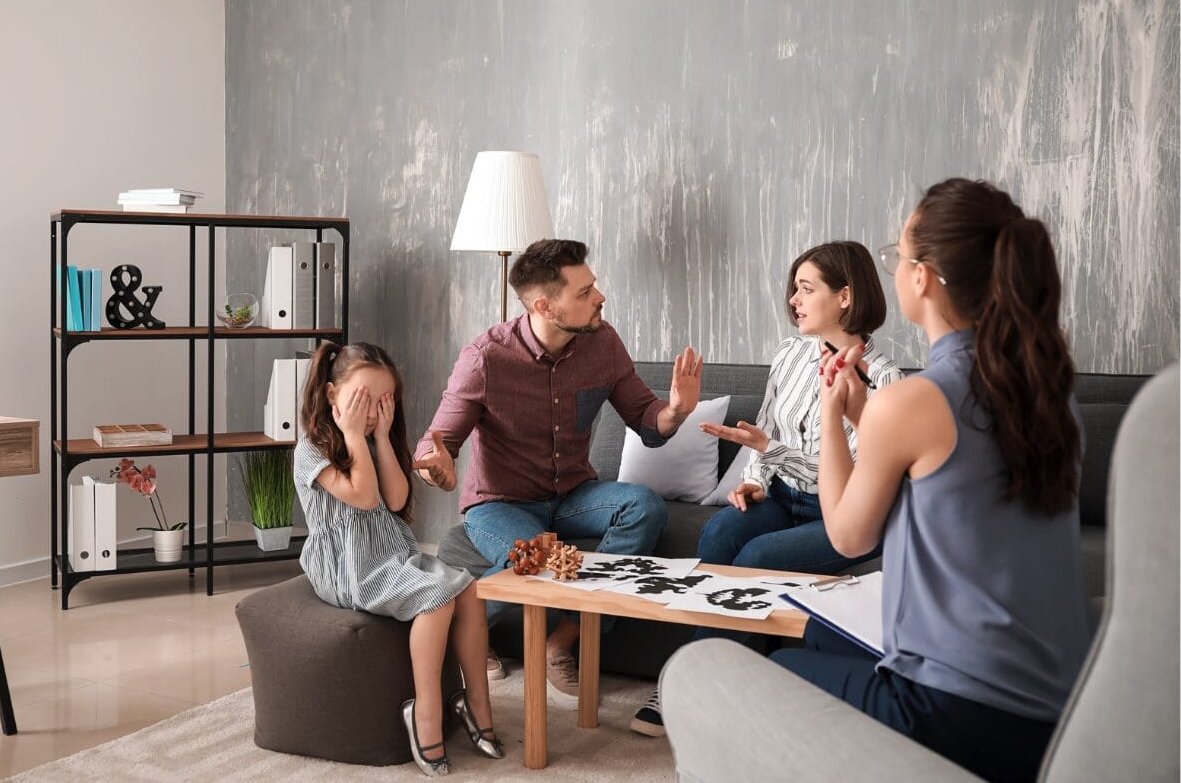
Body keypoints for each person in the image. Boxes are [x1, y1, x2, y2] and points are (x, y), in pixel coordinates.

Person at [775, 178, 1091, 781]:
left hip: (956, 714)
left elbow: (847, 537)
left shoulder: (918, 399)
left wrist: (831, 414)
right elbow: (942, 464)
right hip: (1060, 712)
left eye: (897, 255)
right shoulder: (1049, 394)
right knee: (819, 637)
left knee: (762, 677)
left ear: (920, 277)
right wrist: (864, 410)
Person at [631, 240, 903, 738]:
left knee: (755, 557)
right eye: (793, 289)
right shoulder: (790, 353)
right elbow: (764, 425)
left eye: (807, 289)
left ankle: (697, 689)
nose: (794, 300)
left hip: (841, 517)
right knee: (719, 535)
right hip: (783, 497)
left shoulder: (883, 378)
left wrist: (770, 449)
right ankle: (697, 677)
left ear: (845, 296)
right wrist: (754, 479)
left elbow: (856, 478)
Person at [413, 238, 703, 699]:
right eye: (585, 291)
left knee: (644, 506)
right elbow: (437, 444)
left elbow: (646, 417)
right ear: (546, 306)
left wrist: (676, 412)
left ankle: (561, 641)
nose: (600, 297)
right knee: (541, 558)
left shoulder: (603, 342)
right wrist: (436, 469)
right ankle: (457, 625)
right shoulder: (485, 357)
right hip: (499, 503)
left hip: (572, 495)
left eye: (594, 286)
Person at [295, 341, 504, 778]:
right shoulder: (311, 449)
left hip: (392, 554)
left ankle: (476, 703)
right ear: (333, 396)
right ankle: (425, 711)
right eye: (363, 400)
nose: (372, 412)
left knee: (466, 588)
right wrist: (354, 435)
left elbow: (393, 499)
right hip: (351, 568)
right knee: (436, 598)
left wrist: (379, 439)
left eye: (382, 402)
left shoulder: (374, 441)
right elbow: (364, 496)